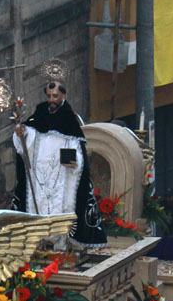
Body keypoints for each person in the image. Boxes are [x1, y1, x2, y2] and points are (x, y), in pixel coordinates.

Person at [12, 79, 106, 246]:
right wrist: (22, 133)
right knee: (39, 208)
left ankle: (61, 246)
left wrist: (71, 162)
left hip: (61, 175)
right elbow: (29, 137)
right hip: (39, 174)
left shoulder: (69, 119)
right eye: (49, 96)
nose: (51, 100)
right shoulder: (40, 113)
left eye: (55, 96)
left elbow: (76, 146)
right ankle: (38, 243)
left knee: (60, 208)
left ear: (63, 95)